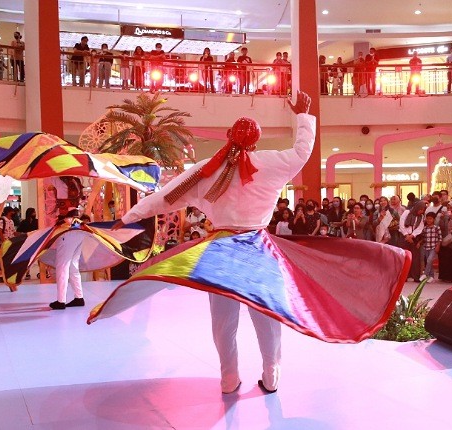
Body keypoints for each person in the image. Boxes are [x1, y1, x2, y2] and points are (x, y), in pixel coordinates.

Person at [96, 91, 408, 395]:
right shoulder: (271, 164)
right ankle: (271, 376)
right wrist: (302, 116)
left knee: (223, 320)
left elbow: (166, 197)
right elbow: (303, 152)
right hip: (260, 250)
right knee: (267, 315)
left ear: (228, 135)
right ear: (255, 142)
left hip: (220, 253)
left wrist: (129, 216)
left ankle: (229, 380)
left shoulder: (207, 169)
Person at [49, 209, 87, 310]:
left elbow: (68, 220)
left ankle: (61, 301)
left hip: (68, 233)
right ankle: (79, 297)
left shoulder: (65, 216)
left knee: (62, 267)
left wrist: (61, 220)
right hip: (80, 232)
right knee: (73, 267)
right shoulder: (78, 215)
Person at [398, 201, 427, 282]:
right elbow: (401, 223)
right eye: (420, 209)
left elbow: (420, 228)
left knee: (415, 257)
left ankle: (416, 276)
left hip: (414, 237)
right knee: (405, 256)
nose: (421, 211)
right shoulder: (407, 212)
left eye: (423, 210)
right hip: (404, 237)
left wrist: (412, 236)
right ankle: (404, 276)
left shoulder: (421, 216)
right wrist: (406, 235)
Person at [420, 212, 441, 282]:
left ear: (434, 220)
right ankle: (431, 276)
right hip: (426, 247)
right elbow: (423, 238)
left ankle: (425, 274)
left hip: (433, 247)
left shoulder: (437, 228)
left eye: (430, 219)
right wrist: (419, 242)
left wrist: (438, 246)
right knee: (429, 261)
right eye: (427, 219)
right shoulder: (425, 228)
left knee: (429, 260)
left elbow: (440, 238)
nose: (429, 220)